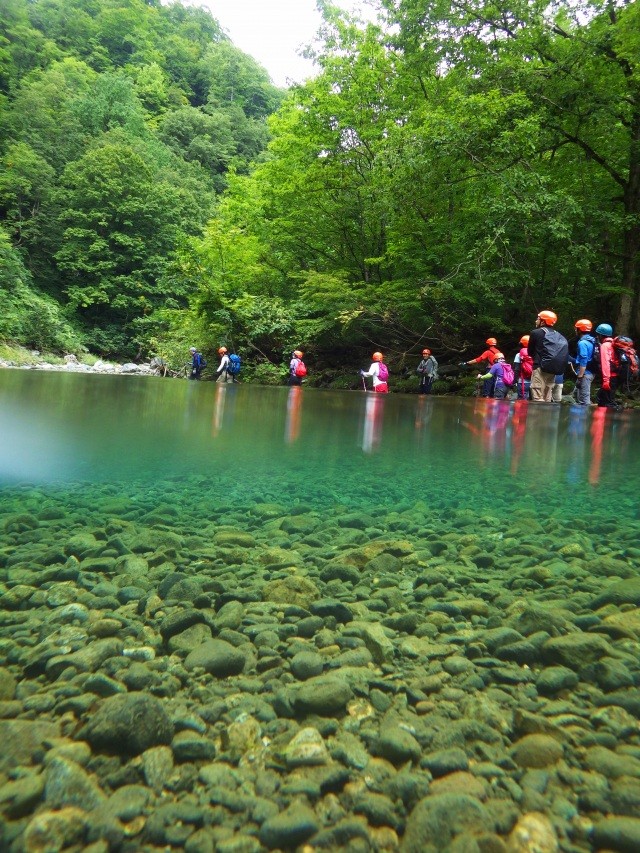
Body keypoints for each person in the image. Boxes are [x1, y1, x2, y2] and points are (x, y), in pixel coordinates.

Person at [527, 310, 569, 403]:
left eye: (538, 319)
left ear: (543, 321)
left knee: (537, 395)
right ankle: (545, 416)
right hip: (552, 369)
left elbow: (530, 352)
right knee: (547, 396)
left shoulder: (536, 333)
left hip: (539, 367)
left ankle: (536, 416)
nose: (536, 321)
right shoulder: (558, 335)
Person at [569, 319, 596, 406]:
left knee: (584, 401)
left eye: (576, 328)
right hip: (590, 372)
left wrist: (580, 376)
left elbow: (584, 359)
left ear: (579, 330)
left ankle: (582, 418)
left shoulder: (583, 343)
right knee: (578, 397)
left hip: (585, 374)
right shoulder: (592, 341)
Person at [594, 323, 619, 408]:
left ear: (601, 335)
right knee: (606, 400)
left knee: (607, 404)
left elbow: (606, 364)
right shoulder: (613, 344)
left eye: (598, 334)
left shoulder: (605, 346)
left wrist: (606, 381)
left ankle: (609, 420)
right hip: (615, 377)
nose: (597, 337)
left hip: (609, 378)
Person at [513, 335, 533, 400]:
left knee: (521, 400)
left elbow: (517, 369)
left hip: (523, 381)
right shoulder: (535, 353)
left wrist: (514, 381)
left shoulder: (519, 355)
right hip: (534, 381)